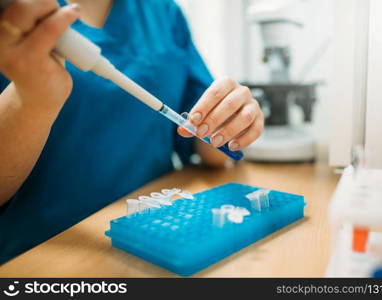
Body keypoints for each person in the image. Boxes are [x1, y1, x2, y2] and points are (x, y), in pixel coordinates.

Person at [0, 0, 264, 264]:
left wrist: (231, 120)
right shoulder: (15, 19)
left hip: (158, 243)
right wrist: (31, 99)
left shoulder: (162, 11)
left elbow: (209, 149)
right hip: (43, 261)